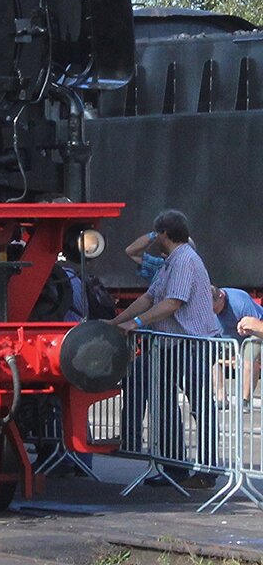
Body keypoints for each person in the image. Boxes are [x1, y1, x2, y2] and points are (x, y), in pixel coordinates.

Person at [107, 209, 222, 490]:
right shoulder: (169, 263)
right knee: (165, 405)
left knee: (200, 406)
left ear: (164, 234)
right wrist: (114, 322)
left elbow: (173, 302)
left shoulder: (184, 261)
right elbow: (149, 298)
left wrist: (136, 323)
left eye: (157, 233)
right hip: (171, 344)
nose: (155, 238)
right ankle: (175, 467)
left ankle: (208, 469)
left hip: (192, 344)